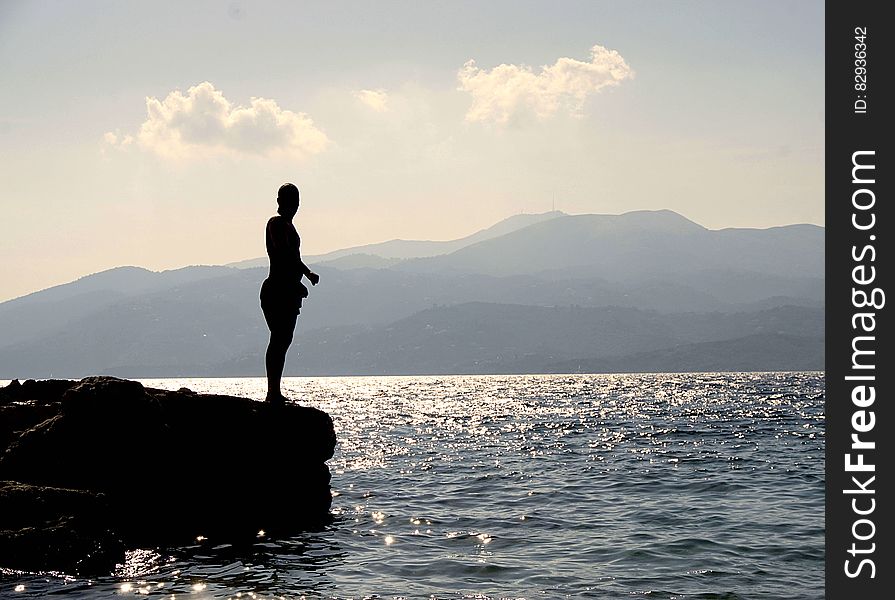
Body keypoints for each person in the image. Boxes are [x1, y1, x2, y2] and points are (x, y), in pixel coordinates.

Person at [260, 183, 320, 405]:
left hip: (288, 290)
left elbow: (293, 257)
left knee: (283, 339)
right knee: (278, 338)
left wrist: (307, 274)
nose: (293, 206)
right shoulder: (276, 224)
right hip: (277, 289)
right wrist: (296, 282)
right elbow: (284, 254)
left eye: (295, 201)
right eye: (288, 201)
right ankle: (272, 392)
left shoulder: (288, 226)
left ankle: (275, 391)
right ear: (279, 202)